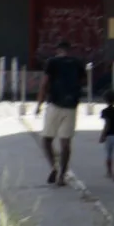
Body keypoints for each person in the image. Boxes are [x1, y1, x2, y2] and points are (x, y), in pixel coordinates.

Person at [36, 42, 85, 184]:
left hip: (54, 104)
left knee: (47, 139)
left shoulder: (52, 62)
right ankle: (62, 175)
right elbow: (82, 82)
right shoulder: (77, 63)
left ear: (58, 50)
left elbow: (44, 84)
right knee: (65, 142)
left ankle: (53, 167)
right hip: (71, 106)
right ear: (69, 50)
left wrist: (39, 104)